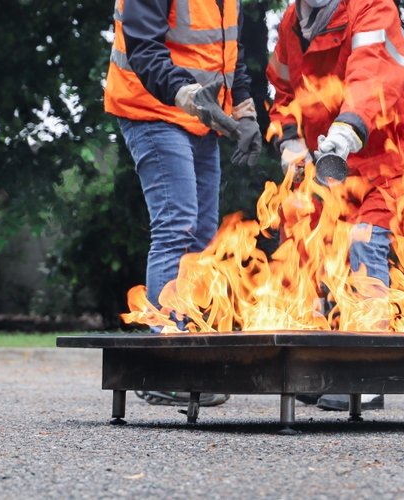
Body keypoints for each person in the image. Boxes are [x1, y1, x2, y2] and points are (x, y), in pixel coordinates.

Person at [266, 0, 404, 412]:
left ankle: (368, 373)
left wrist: (348, 130)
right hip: (341, 161)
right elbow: (283, 89)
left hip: (401, 150)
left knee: (364, 241)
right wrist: (290, 140)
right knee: (304, 243)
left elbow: (373, 78)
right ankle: (315, 364)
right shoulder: (292, 24)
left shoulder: (372, 8)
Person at [105, 0, 262, 406]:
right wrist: (187, 94)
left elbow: (231, 54)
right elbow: (142, 47)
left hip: (200, 117)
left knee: (203, 236)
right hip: (152, 109)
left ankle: (187, 352)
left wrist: (244, 111)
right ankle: (164, 363)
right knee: (177, 227)